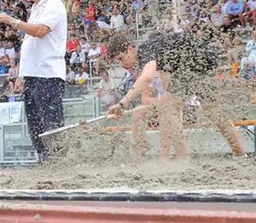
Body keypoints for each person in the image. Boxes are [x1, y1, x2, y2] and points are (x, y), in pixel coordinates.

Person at [105, 31, 245, 159]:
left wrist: (122, 104)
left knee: (167, 107)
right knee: (213, 111)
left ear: (130, 49)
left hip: (194, 62)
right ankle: (240, 155)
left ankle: (183, 160)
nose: (122, 65)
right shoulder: (155, 50)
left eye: (121, 59)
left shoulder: (145, 51)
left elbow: (146, 78)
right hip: (203, 60)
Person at [0, 0, 67, 161]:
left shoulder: (53, 4)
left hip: (48, 74)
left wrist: (13, 21)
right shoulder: (35, 9)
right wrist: (21, 74)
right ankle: (44, 159)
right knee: (35, 124)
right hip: (33, 75)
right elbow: (29, 44)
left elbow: (40, 31)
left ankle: (58, 160)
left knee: (50, 123)